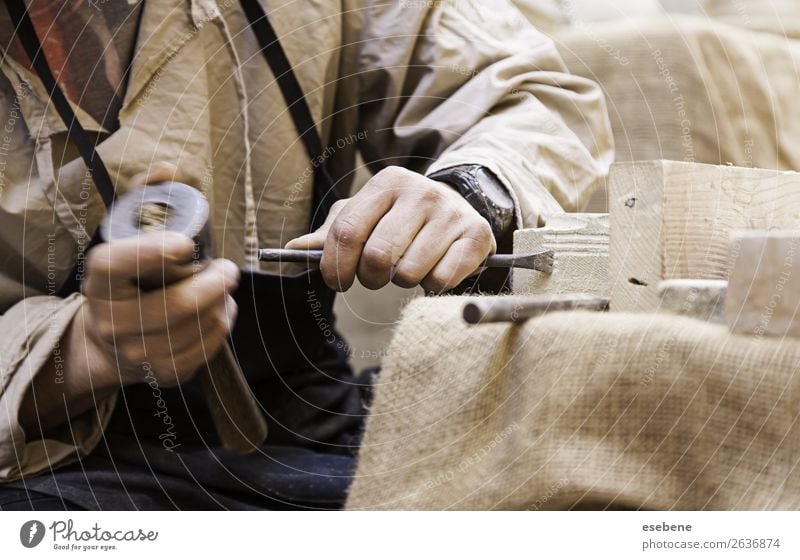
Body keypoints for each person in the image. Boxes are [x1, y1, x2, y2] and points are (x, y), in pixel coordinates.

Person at [0, 0, 612, 510]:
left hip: (310, 421)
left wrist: (473, 190)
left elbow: (535, 96)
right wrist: (80, 355)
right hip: (50, 465)